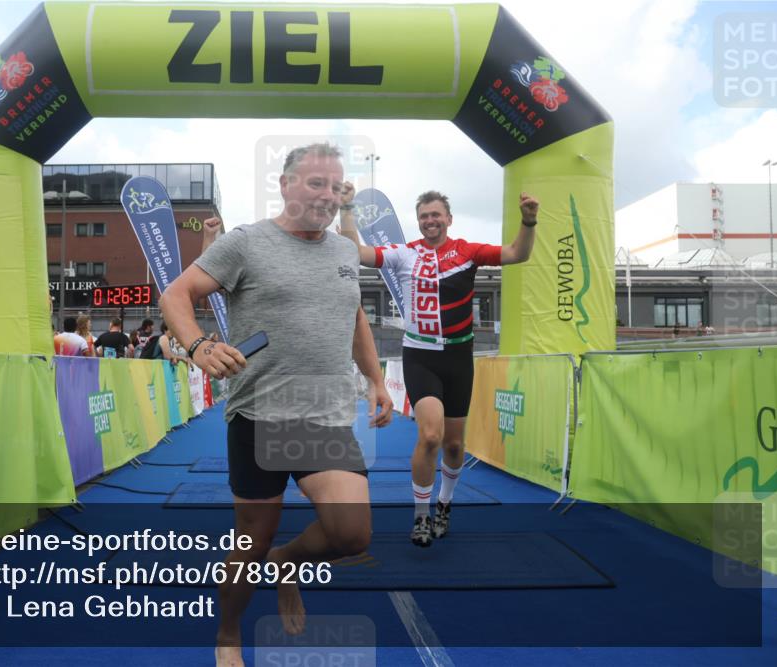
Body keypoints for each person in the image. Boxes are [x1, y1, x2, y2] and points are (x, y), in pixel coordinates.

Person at [159, 143, 393, 667]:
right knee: (250, 542)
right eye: (315, 184)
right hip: (259, 415)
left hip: (325, 415)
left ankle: (287, 562)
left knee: (351, 533)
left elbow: (354, 316)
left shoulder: (342, 251)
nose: (327, 196)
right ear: (286, 185)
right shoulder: (245, 243)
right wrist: (198, 346)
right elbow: (176, 294)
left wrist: (375, 379)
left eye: (335, 187)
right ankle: (229, 634)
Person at [339, 185, 538, 547]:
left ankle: (444, 504)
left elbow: (516, 253)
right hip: (421, 356)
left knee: (454, 445)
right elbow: (355, 252)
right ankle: (420, 516)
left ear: (448, 219)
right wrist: (347, 207)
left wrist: (529, 221)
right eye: (424, 216)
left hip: (459, 358)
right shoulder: (404, 254)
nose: (430, 221)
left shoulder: (467, 252)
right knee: (430, 435)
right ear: (418, 222)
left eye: (436, 215)